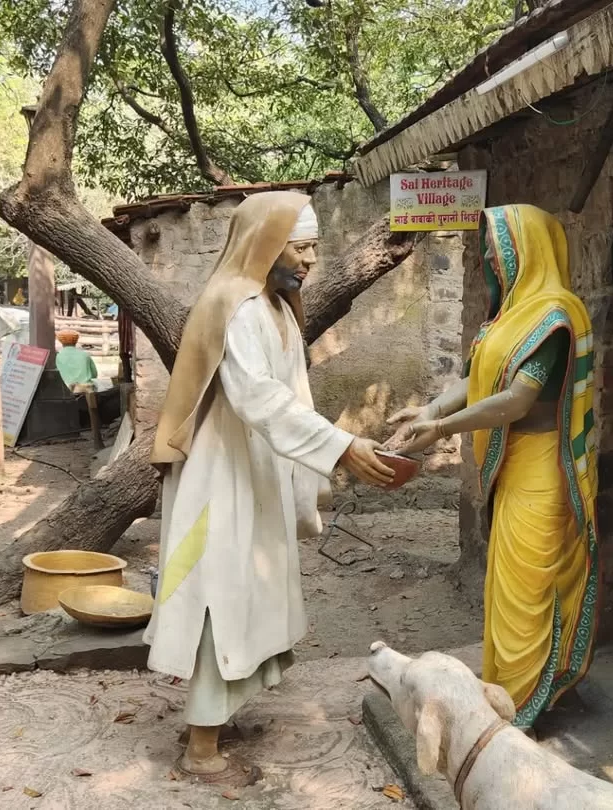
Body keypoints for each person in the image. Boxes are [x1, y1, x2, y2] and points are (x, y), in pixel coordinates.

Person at [144, 191, 394, 787]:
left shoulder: (278, 307)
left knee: (249, 592)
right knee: (218, 599)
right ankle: (201, 748)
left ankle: (218, 717)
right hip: (220, 477)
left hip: (257, 470)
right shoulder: (233, 306)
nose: (308, 261)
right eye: (300, 247)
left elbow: (291, 396)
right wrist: (341, 448)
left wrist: (309, 472)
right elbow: (258, 397)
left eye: (313, 248)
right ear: (265, 244)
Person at [387, 204, 599, 732]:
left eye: (498, 249)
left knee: (527, 590)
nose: (489, 259)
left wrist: (442, 431)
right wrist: (433, 408)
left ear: (528, 251)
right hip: (513, 468)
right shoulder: (509, 316)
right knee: (504, 587)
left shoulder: (554, 315)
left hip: (544, 472)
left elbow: (514, 401)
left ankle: (523, 705)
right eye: (488, 251)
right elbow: (477, 378)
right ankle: (503, 692)